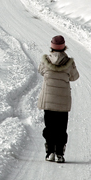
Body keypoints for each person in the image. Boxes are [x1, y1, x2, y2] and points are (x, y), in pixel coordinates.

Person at [37, 35, 80, 163]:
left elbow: (40, 71)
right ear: (64, 47)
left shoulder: (45, 61)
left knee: (49, 127)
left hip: (48, 100)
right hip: (62, 102)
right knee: (61, 128)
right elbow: (75, 77)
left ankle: (50, 152)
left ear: (51, 47)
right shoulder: (69, 63)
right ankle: (60, 154)